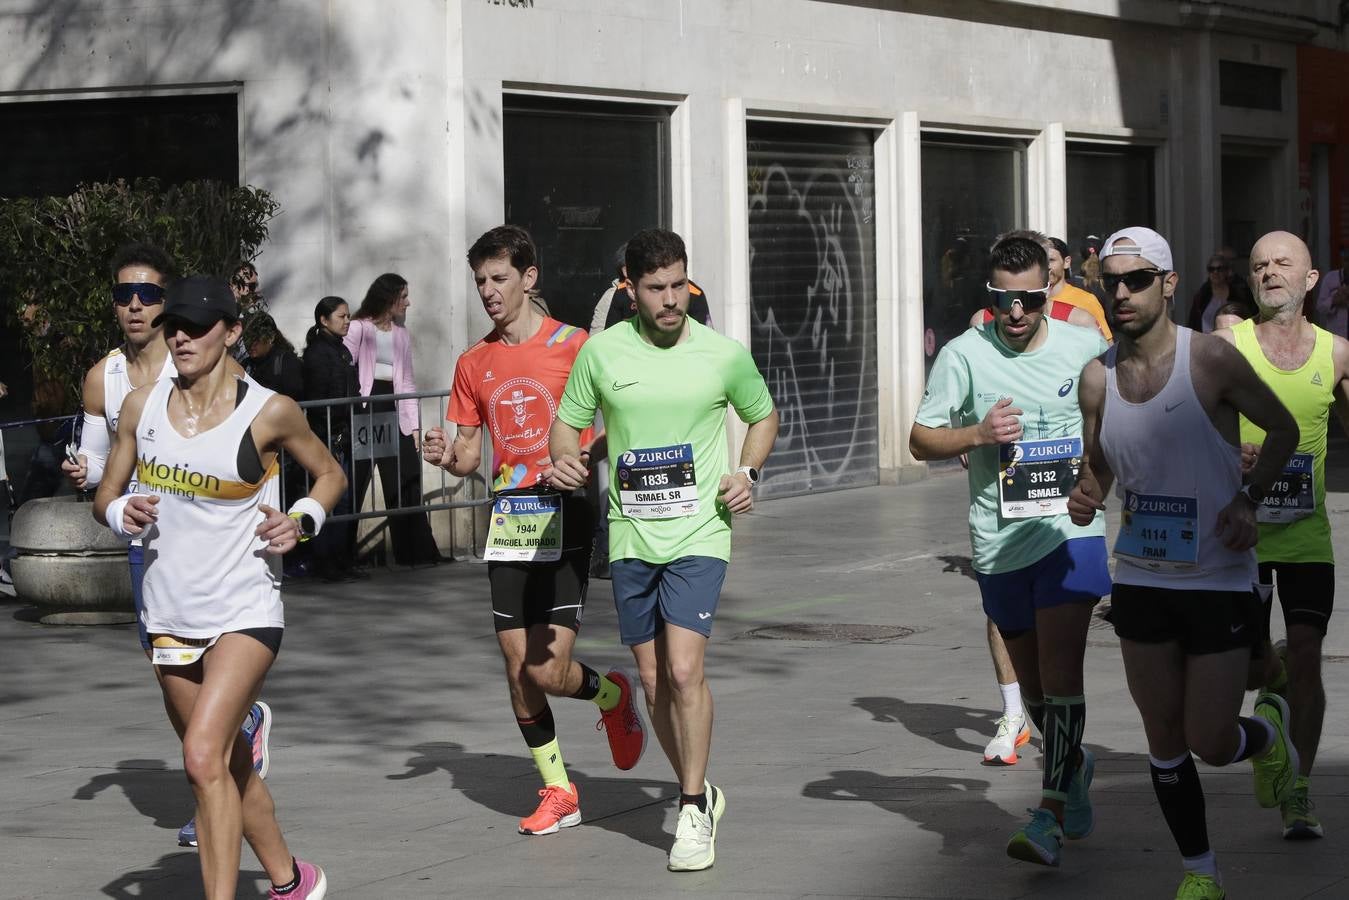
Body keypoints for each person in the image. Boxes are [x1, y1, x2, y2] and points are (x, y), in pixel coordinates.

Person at [93, 276, 344, 900]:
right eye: (172, 323)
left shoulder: (270, 410)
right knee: (226, 765)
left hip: (244, 607)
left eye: (198, 325)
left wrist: (303, 518)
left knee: (202, 758)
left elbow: (329, 474)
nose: (180, 335)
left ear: (231, 332)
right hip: (168, 611)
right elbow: (104, 493)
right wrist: (118, 510)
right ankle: (291, 880)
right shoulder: (140, 406)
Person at [1069, 226, 1300, 900]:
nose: (1121, 292)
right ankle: (1199, 872)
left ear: (1168, 285)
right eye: (1111, 280)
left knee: (1208, 737)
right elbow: (1101, 466)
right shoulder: (1095, 378)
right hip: (1140, 574)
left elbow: (1281, 427)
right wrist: (1087, 496)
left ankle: (1266, 738)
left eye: (1136, 279)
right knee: (1162, 734)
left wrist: (1247, 500)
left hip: (1217, 576)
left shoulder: (1210, 363)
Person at [551, 228, 779, 872]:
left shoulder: (721, 353)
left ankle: (689, 809)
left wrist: (747, 472)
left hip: (701, 531)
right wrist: (566, 459)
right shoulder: (601, 354)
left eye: (680, 284)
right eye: (657, 288)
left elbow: (762, 416)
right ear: (630, 287)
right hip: (629, 534)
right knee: (652, 679)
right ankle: (702, 792)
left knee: (683, 671)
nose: (671, 299)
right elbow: (567, 424)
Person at [421, 224, 646, 836]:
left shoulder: (577, 346)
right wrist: (445, 454)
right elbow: (470, 454)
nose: (488, 292)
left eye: (499, 279)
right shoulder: (474, 362)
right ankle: (559, 790)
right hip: (510, 520)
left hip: (566, 512)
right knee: (517, 666)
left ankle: (611, 696)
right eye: (480, 283)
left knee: (548, 670)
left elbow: (618, 420)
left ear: (529, 277)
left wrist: (585, 456)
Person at [59, 243, 274, 850]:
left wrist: (288, 516)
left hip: (222, 551)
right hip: (148, 539)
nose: (136, 306)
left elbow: (261, 442)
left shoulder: (213, 367)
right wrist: (97, 484)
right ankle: (228, 762)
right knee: (171, 675)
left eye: (149, 295)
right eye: (124, 295)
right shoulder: (107, 378)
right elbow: (102, 465)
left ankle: (215, 782)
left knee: (207, 709)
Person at [910, 232, 1109, 868]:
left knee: (1062, 666)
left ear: (1049, 293)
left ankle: (1048, 813)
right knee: (1037, 687)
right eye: (1003, 300)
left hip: (1070, 532)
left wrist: (1098, 477)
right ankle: (1071, 767)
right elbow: (920, 439)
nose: (1016, 313)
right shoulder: (965, 355)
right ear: (989, 296)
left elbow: (1128, 410)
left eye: (1028, 300)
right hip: (999, 540)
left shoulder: (1084, 347)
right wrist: (977, 432)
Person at [1214, 230, 1348, 841]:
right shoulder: (1228, 343)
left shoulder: (1338, 353)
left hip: (1306, 536)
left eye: (1283, 263)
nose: (1270, 272)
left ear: (1311, 279)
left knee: (1309, 655)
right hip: (1240, 532)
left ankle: (1297, 787)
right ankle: (1272, 700)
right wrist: (1226, 450)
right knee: (1249, 670)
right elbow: (1192, 420)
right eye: (1260, 264)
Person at [345, 274, 438, 566]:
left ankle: (414, 551)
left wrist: (413, 426)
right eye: (404, 296)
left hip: (395, 408)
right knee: (354, 481)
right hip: (365, 408)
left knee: (405, 477)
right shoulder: (359, 328)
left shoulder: (401, 334)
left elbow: (407, 381)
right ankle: (341, 554)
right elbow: (345, 368)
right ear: (389, 298)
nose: (408, 302)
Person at [302, 297, 362, 581]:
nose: (347, 321)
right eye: (341, 316)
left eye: (348, 316)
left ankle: (341, 560)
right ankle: (325, 562)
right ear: (324, 320)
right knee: (331, 501)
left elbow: (352, 387)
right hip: (326, 435)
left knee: (345, 501)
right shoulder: (318, 354)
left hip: (343, 434)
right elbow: (317, 398)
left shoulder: (342, 351)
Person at [1048, 236, 1112, 341]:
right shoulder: (1030, 300)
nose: (1046, 266)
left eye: (1051, 260)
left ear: (1067, 262)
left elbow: (1108, 348)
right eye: (1041, 260)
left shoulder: (1087, 301)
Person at [242, 314, 305, 401]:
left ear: (270, 338)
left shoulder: (287, 362)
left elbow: (295, 396)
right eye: (246, 339)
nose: (251, 344)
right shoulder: (245, 365)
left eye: (256, 339)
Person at [1187, 253, 1254, 334]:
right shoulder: (1201, 296)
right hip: (1206, 342)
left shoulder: (1239, 294)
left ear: (1226, 271)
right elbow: (1193, 325)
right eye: (1211, 269)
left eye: (1219, 268)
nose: (1215, 272)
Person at [1311, 245, 1348, 338]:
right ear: (1343, 260)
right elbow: (1320, 307)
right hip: (1337, 337)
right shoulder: (1331, 278)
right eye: (1347, 260)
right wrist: (1334, 300)